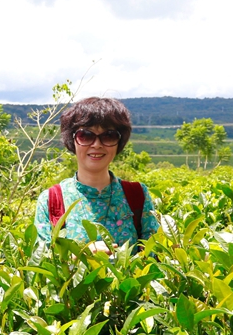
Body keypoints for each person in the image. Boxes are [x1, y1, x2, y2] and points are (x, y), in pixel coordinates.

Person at [35, 96, 158, 249]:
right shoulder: (51, 200)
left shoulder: (138, 195)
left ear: (119, 142)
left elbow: (154, 255)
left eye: (109, 136)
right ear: (72, 140)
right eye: (86, 135)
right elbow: (43, 261)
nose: (97, 145)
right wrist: (82, 256)